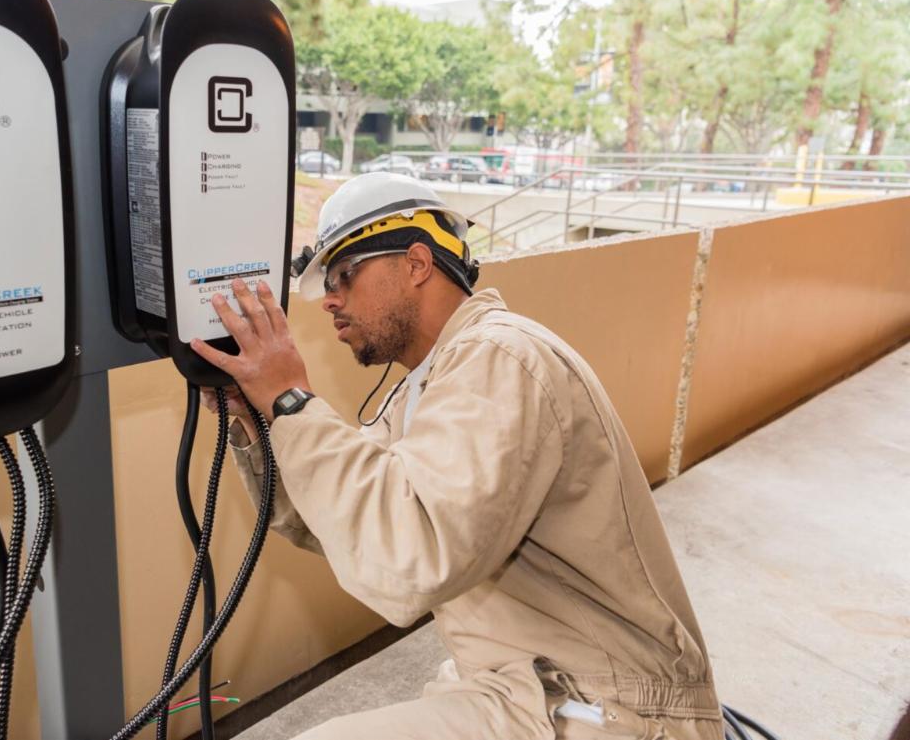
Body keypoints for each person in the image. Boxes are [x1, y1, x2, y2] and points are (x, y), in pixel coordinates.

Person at [189, 172, 722, 740]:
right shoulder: (430, 385)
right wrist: (258, 423)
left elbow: (409, 556)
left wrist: (292, 401)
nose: (330, 301)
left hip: (611, 705)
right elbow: (341, 517)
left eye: (345, 273)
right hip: (525, 683)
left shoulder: (502, 357)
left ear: (417, 263)